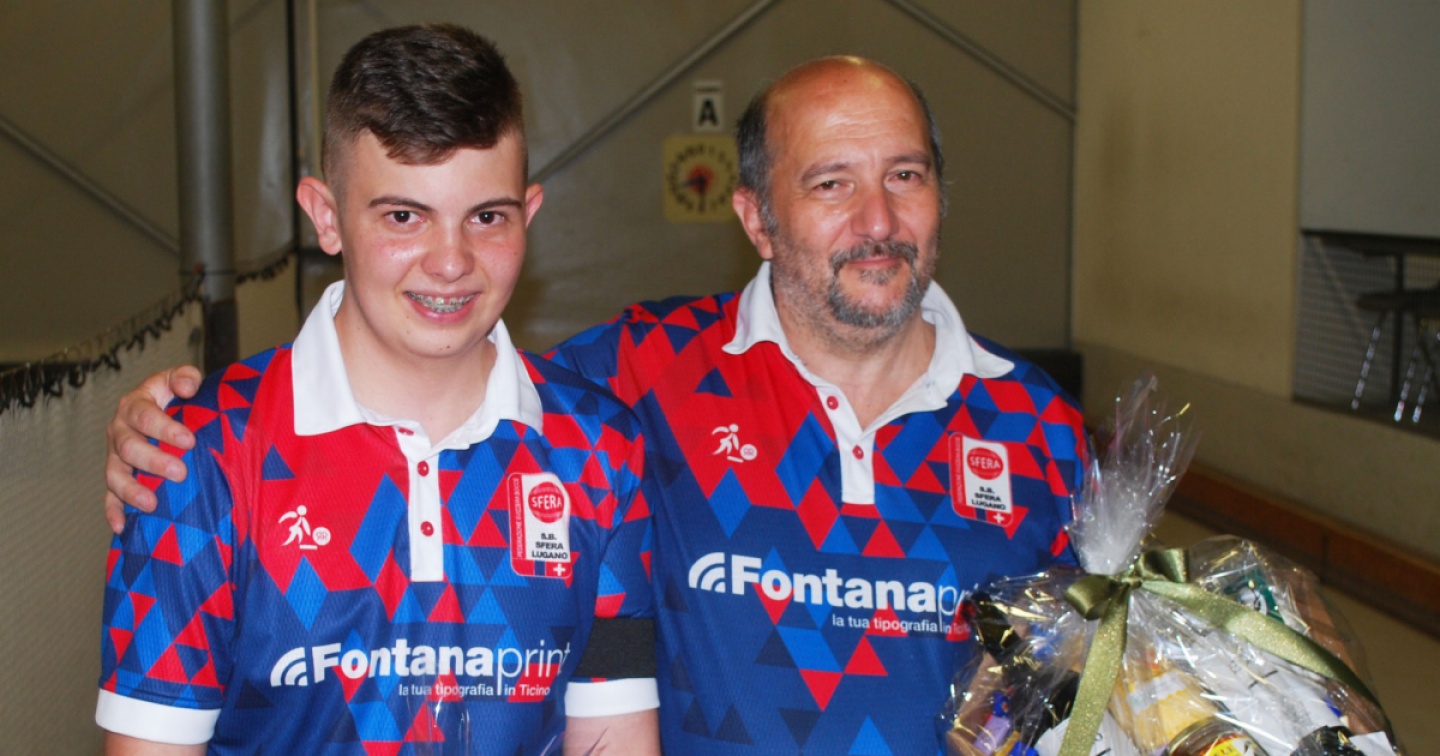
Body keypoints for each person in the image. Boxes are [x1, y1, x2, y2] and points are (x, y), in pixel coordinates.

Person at [105, 55, 1087, 755]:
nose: (878, 220)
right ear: (754, 217)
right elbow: (446, 371)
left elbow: (1086, 693)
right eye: (831, 184)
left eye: (905, 176)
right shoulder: (641, 379)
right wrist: (170, 434)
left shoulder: (1045, 434)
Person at [96, 25, 659, 755]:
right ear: (326, 216)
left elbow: (613, 737)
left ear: (530, 213)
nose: (451, 262)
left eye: (487, 217)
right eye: (404, 216)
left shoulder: (600, 449)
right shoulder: (200, 454)